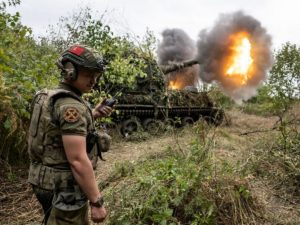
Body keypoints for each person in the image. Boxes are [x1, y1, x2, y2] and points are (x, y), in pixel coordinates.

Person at [27, 44, 113, 224]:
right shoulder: (70, 105)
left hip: (41, 180)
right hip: (63, 186)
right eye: (89, 74)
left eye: (96, 75)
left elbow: (53, 132)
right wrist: (97, 202)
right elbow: (78, 160)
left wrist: (93, 114)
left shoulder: (47, 95)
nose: (94, 81)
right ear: (70, 71)